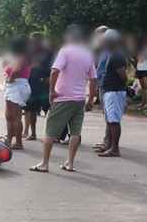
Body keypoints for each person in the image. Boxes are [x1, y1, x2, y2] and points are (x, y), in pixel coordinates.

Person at [30, 25, 97, 173]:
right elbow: (93, 79)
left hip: (63, 97)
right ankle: (70, 163)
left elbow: (54, 71)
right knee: (75, 132)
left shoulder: (65, 51)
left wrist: (52, 91)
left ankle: (44, 163)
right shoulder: (87, 54)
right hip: (79, 99)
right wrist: (91, 99)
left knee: (50, 130)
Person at [96, 30, 128, 158]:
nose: (103, 42)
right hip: (110, 91)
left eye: (105, 40)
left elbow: (123, 75)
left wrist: (124, 85)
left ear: (111, 41)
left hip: (114, 91)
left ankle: (114, 148)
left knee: (114, 120)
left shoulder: (116, 54)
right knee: (109, 120)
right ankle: (109, 145)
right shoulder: (112, 53)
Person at [23, 32, 53, 141]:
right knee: (31, 109)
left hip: (44, 84)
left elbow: (54, 65)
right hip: (31, 83)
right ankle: (33, 133)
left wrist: (50, 77)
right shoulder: (28, 53)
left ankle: (48, 134)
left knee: (47, 109)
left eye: (36, 40)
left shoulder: (48, 52)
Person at [2, 36, 31, 149]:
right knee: (9, 115)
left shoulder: (21, 56)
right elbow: (5, 62)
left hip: (17, 86)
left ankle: (18, 142)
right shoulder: (18, 56)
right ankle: (9, 140)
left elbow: (17, 70)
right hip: (14, 87)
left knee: (15, 116)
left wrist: (10, 79)